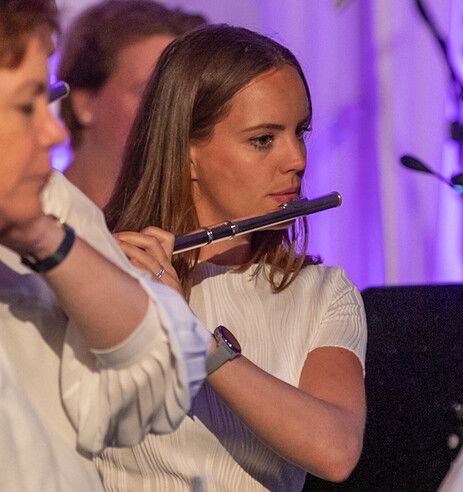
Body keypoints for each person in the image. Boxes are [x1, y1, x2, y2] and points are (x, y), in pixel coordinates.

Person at [97, 25, 367, 490]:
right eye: (264, 139)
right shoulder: (102, 273)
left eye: (299, 132)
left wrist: (190, 335)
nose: (297, 159)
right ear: (188, 152)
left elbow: (336, 450)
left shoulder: (323, 295)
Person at [0, 0, 211, 487]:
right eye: (26, 103)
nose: (51, 131)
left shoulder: (49, 203)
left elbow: (162, 369)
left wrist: (40, 236)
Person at [59, 0, 206, 208]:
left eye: (179, 96)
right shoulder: (24, 223)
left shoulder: (188, 223)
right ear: (85, 104)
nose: (172, 112)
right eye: (149, 92)